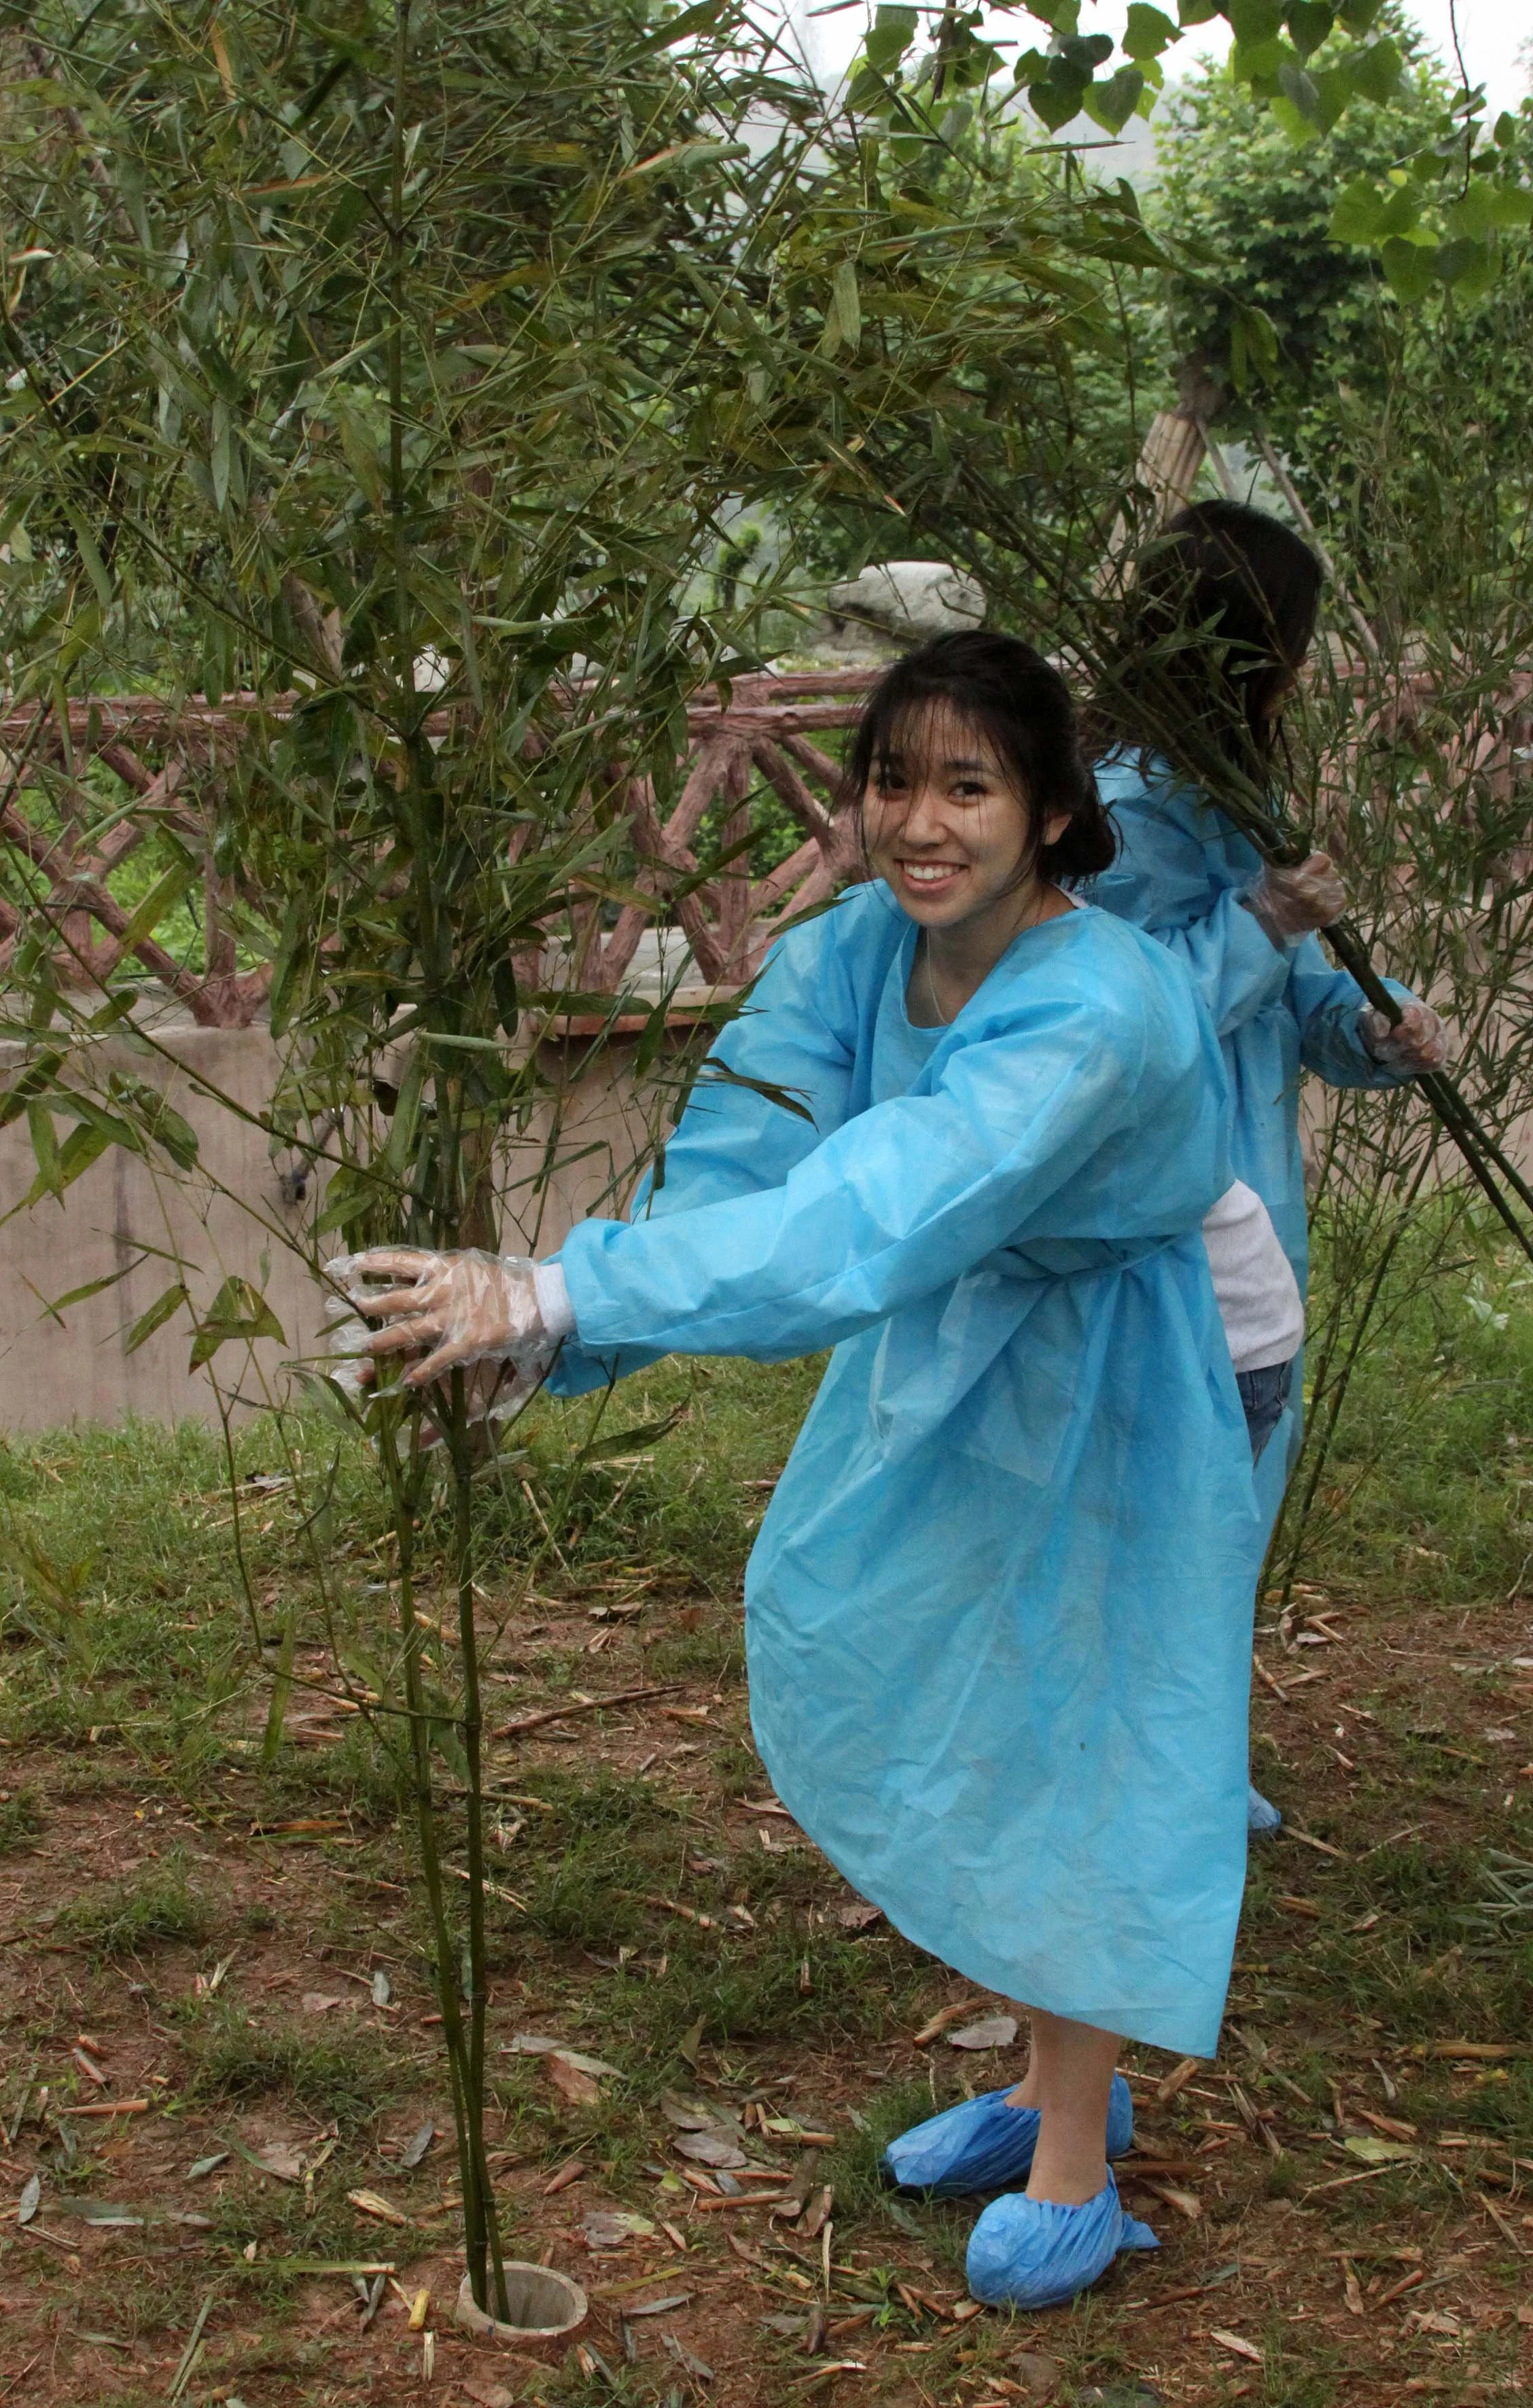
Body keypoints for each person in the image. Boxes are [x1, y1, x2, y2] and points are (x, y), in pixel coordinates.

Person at [334, 633, 1266, 2313]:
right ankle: (1059, 2072)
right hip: (970, 1327)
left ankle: (1079, 2164)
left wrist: (562, 1288)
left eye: (970, 785)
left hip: (1143, 1343)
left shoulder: (1101, 1004)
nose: (922, 820)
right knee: (973, 1686)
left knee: (1084, 1713)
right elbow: (749, 1161)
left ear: (1054, 812)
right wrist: (555, 1327)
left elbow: (892, 1194)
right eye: (893, 778)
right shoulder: (858, 951)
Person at [1084, 501, 1451, 1829]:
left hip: (1251, 1216)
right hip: (1148, 1215)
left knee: (1228, 1495)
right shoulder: (1111, 811)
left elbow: (1289, 998)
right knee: (1149, 1494)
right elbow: (1112, 1030)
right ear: (1257, 651)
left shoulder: (1230, 791)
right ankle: (1122, 1773)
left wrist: (1371, 1023)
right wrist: (1258, 922)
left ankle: (1186, 1761)